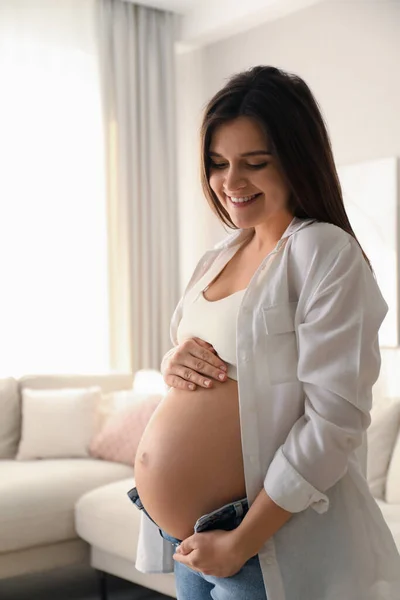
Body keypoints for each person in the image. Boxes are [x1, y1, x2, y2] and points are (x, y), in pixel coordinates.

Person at [127, 66, 400, 600]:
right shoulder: (217, 256)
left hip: (261, 539)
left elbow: (334, 421)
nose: (231, 182)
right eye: (218, 163)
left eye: (255, 163)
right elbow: (218, 369)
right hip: (193, 537)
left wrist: (241, 541)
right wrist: (172, 361)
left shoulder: (322, 251)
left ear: (297, 159)